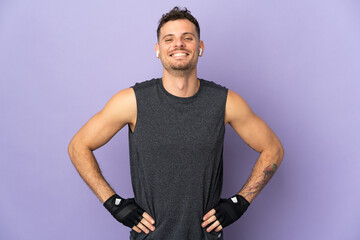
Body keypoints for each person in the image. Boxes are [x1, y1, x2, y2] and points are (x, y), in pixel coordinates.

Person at [68, 6, 284, 240]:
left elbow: (273, 149)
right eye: (169, 39)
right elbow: (78, 146)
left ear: (200, 48)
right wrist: (114, 203)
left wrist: (240, 202)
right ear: (158, 50)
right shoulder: (131, 102)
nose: (178, 44)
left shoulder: (226, 102)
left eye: (187, 38)